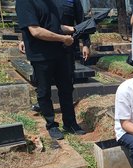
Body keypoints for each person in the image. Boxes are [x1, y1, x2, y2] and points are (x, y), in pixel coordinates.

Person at [16, 0, 85, 140]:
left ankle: (70, 123)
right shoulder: (25, 2)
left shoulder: (51, 3)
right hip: (41, 55)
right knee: (44, 91)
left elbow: (55, 26)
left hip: (60, 52)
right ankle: (51, 124)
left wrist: (75, 29)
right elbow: (35, 30)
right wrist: (63, 39)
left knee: (66, 88)